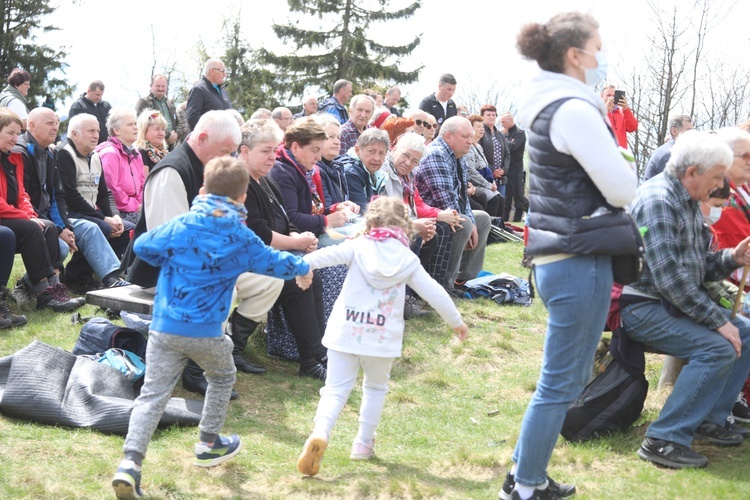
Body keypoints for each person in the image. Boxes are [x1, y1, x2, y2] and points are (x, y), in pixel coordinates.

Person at [112, 156, 313, 499]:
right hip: (206, 332)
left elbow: (144, 245)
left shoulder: (181, 226)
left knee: (153, 396)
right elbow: (273, 262)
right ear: (243, 199)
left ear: (202, 189)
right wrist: (301, 267)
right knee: (222, 377)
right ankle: (208, 443)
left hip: (164, 329)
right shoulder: (241, 237)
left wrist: (170, 255)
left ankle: (130, 464)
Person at [504, 12, 638, 499]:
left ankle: (523, 470)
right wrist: (624, 164)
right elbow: (623, 189)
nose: (602, 57)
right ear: (575, 56)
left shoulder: (551, 104)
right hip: (577, 257)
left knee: (569, 375)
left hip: (566, 253)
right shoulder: (574, 110)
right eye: (598, 47)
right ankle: (526, 485)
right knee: (560, 383)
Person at [296, 196, 468, 477]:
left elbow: (317, 258)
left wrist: (303, 271)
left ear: (370, 220)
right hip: (381, 338)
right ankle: (363, 444)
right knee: (375, 389)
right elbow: (434, 291)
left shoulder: (356, 245)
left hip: (345, 331)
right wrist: (456, 322)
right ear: (404, 225)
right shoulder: (408, 259)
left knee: (335, 390)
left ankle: (320, 433)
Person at [621, 130, 750, 469]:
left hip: (666, 303)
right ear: (692, 172)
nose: (721, 184)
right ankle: (664, 438)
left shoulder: (687, 201)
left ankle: (709, 418)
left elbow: (698, 267)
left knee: (746, 332)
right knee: (718, 347)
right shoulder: (659, 201)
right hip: (641, 307)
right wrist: (719, 321)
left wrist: (732, 258)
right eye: (717, 176)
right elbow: (671, 281)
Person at [125, 110, 245, 397]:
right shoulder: (172, 172)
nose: (229, 159)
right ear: (202, 138)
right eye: (225, 151)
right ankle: (196, 368)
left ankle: (227, 351)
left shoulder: (207, 165)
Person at [238, 119, 329, 379]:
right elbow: (259, 233)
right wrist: (296, 243)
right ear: (245, 152)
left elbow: (285, 220)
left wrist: (299, 239)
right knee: (297, 281)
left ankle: (318, 353)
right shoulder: (241, 181)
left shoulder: (266, 180)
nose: (272, 157)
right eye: (265, 151)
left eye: (273, 150)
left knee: (314, 278)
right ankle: (310, 360)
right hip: (247, 258)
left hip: (273, 254)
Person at [15, 107, 127, 295]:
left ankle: (111, 279)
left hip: (53, 220)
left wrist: (64, 227)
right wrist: (59, 229)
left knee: (98, 228)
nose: (55, 128)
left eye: (56, 123)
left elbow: (57, 196)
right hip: (31, 219)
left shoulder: (49, 153)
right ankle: (31, 284)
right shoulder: (23, 152)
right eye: (49, 123)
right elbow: (23, 198)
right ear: (31, 125)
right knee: (63, 246)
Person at [0, 108, 85, 312]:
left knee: (47, 227)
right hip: (4, 216)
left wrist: (30, 215)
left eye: (17, 133)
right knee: (32, 228)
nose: (15, 138)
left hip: (10, 215)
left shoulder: (13, 158)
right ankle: (44, 293)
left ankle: (52, 290)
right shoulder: (20, 153)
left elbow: (22, 195)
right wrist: (26, 218)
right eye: (10, 133)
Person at [413, 116, 491, 292]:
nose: (470, 141)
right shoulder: (436, 154)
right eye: (465, 137)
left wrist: (472, 222)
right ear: (448, 136)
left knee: (483, 219)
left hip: (447, 212)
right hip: (431, 215)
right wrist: (469, 224)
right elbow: (446, 200)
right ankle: (444, 284)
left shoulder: (458, 157)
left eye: (471, 137)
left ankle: (465, 279)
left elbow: (462, 197)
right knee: (464, 223)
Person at [378, 132, 462, 289]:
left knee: (441, 228)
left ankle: (433, 287)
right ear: (394, 149)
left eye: (414, 161)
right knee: (421, 234)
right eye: (405, 155)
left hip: (407, 219)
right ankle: (407, 295)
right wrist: (427, 219)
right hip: (391, 224)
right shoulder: (384, 172)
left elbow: (417, 204)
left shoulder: (407, 177)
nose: (408, 163)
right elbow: (386, 212)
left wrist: (439, 215)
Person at [57, 114, 135, 262]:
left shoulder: (95, 155)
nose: (96, 136)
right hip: (70, 213)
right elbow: (70, 196)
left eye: (98, 131)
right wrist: (103, 218)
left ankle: (89, 275)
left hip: (90, 212)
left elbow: (104, 193)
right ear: (74, 134)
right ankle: (78, 276)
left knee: (127, 229)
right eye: (91, 131)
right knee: (103, 227)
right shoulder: (64, 153)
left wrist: (115, 216)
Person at [268, 117, 347, 236]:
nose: (319, 158)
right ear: (295, 148)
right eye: (315, 150)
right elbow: (291, 219)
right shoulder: (282, 171)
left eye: (320, 151)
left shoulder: (308, 169)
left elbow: (312, 210)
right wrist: (326, 221)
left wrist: (333, 209)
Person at [95, 107, 146, 225]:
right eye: (130, 124)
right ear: (116, 131)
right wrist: (135, 205)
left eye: (135, 124)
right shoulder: (109, 153)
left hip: (135, 207)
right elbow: (112, 189)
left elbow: (142, 184)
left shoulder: (136, 153)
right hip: (117, 211)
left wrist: (140, 203)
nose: (135, 127)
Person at [313, 113, 360, 216]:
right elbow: (325, 208)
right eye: (331, 137)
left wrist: (348, 205)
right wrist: (339, 207)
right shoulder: (316, 170)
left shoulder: (337, 167)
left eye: (338, 137)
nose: (337, 142)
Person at [338, 128, 389, 211]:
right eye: (371, 151)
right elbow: (364, 211)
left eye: (381, 153)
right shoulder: (350, 172)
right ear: (357, 150)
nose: (377, 158)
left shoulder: (379, 174)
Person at [465, 115, 503, 218]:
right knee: (494, 199)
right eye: (478, 127)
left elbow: (486, 167)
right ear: (470, 129)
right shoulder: (468, 147)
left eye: (482, 127)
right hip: (476, 183)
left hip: (486, 182)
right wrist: (488, 185)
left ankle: (500, 229)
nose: (482, 129)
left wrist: (492, 182)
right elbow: (471, 171)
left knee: (501, 199)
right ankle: (488, 230)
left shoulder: (479, 147)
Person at [135, 74, 181, 150]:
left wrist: (176, 135)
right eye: (157, 86)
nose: (160, 88)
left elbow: (178, 122)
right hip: (150, 148)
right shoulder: (144, 102)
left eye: (163, 86)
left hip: (171, 146)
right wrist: (168, 135)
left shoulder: (170, 103)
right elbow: (144, 124)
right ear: (151, 85)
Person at [642, 114, 693, 181]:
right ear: (674, 131)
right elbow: (675, 187)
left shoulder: (673, 151)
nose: (692, 134)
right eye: (688, 131)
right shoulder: (669, 155)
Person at [186, 59, 232, 131]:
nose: (225, 74)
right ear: (212, 71)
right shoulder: (199, 90)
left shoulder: (223, 91)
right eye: (222, 71)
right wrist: (215, 127)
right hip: (209, 139)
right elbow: (193, 119)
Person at [500, 112, 529, 222]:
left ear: (510, 121)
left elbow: (513, 147)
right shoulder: (505, 134)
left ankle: (530, 215)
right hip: (506, 168)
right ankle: (504, 222)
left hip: (516, 169)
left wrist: (503, 137)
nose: (502, 124)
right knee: (506, 199)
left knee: (519, 197)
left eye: (503, 122)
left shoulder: (519, 133)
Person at [479, 104, 510, 196]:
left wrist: (503, 170)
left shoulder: (500, 135)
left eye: (494, 115)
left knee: (501, 204)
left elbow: (507, 154)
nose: (491, 117)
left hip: (501, 178)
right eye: (488, 115)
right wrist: (492, 170)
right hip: (487, 177)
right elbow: (480, 155)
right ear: (482, 117)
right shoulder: (481, 133)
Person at [601, 84, 638, 149]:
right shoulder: (597, 112)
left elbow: (633, 127)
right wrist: (606, 111)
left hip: (620, 154)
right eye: (608, 95)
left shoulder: (621, 113)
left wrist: (626, 109)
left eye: (614, 96)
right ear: (602, 96)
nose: (611, 98)